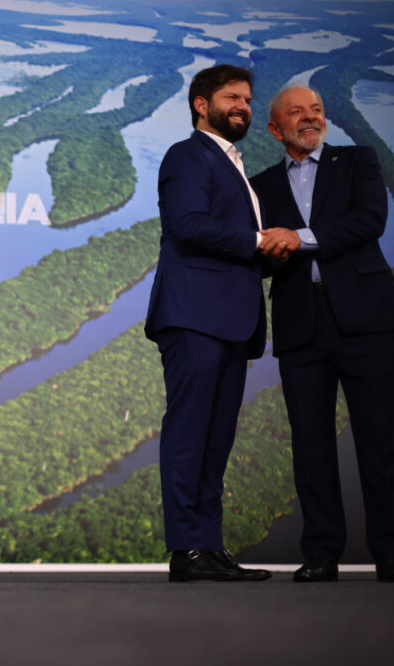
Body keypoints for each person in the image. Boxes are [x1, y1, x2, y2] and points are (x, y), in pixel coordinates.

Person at [252, 85, 394, 582]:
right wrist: (264, 249)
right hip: (301, 324)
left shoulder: (358, 161)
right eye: (297, 112)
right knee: (311, 443)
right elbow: (258, 256)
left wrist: (296, 238)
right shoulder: (260, 186)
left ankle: (392, 552)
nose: (310, 118)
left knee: (381, 438)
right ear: (275, 128)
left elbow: (369, 221)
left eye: (317, 110)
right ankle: (322, 553)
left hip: (366, 319)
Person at [144, 65, 271, 582]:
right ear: (202, 105)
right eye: (231, 97)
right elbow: (190, 227)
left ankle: (209, 546)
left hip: (230, 321)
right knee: (189, 433)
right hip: (194, 315)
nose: (242, 105)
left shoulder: (233, 163)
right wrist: (262, 242)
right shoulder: (187, 155)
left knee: (216, 439)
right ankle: (185, 550)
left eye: (246, 98)